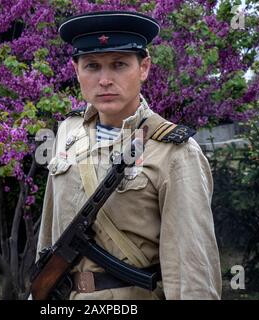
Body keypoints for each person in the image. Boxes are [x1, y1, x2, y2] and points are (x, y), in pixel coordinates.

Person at [35, 10, 222, 300]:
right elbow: (50, 237)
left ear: (144, 68)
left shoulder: (174, 152)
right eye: (92, 66)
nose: (105, 79)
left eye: (119, 65)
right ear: (76, 70)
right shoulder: (68, 133)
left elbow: (192, 270)